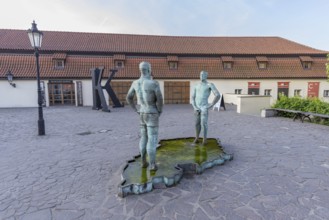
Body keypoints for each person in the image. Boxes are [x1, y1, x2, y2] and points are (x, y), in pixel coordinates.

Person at [126, 62, 163, 171]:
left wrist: (135, 109)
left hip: (142, 112)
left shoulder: (135, 83)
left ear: (140, 70)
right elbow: (160, 99)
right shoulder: (153, 83)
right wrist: (159, 111)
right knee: (152, 139)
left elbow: (129, 98)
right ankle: (152, 165)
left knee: (143, 138)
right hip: (151, 112)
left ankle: (143, 162)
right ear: (149, 69)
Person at [191, 71, 221, 145]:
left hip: (204, 107)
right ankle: (197, 138)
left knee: (204, 123)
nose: (201, 76)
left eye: (203, 75)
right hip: (196, 107)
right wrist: (194, 107)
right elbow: (192, 97)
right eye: (200, 74)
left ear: (206, 76)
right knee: (196, 124)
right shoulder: (196, 85)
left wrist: (211, 105)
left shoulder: (209, 85)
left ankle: (204, 139)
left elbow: (217, 95)